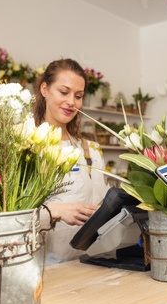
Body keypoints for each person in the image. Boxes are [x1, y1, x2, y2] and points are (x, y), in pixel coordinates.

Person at [32, 58, 109, 265]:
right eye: (63, 92)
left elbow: (101, 204)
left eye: (78, 96)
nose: (71, 102)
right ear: (45, 89)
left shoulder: (90, 151)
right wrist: (55, 211)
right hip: (43, 268)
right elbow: (9, 219)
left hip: (86, 264)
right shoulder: (26, 148)